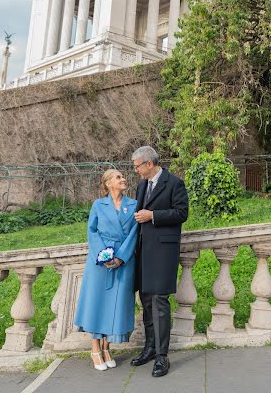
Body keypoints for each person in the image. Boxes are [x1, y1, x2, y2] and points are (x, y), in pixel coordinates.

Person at [131, 146, 189, 377]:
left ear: (149, 164)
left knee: (160, 301)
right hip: (143, 250)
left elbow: (181, 213)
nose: (135, 171)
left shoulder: (174, 183)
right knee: (145, 299)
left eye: (137, 166)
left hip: (164, 252)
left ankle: (162, 357)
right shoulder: (141, 185)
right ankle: (150, 348)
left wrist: (153, 215)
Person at [73, 169, 138, 370]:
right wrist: (104, 255)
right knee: (97, 302)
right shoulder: (98, 205)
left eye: (122, 176)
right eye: (118, 177)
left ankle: (107, 347)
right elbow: (91, 231)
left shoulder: (134, 205)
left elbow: (135, 233)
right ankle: (95, 348)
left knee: (116, 305)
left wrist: (120, 257)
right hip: (100, 262)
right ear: (108, 183)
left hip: (123, 261)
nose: (123, 179)